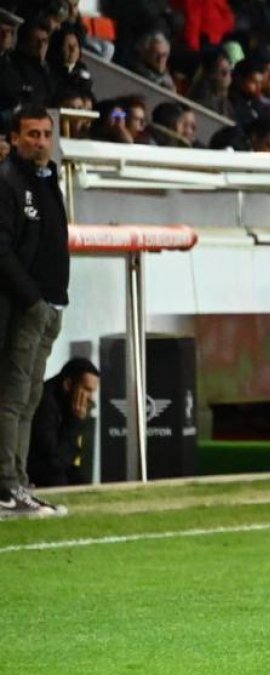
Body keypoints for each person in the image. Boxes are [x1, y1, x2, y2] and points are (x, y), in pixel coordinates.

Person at [0, 106, 69, 517]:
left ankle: (19, 482)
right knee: (12, 397)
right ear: (14, 138)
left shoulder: (48, 180)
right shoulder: (8, 181)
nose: (41, 142)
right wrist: (32, 300)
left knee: (29, 398)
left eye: (46, 134)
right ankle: (6, 486)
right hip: (27, 307)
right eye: (32, 134)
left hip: (49, 304)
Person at [27, 358, 99, 487]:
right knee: (57, 479)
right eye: (87, 390)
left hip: (53, 467)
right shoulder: (44, 404)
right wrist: (75, 421)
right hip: (34, 473)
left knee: (81, 480)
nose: (91, 398)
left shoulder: (66, 404)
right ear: (68, 385)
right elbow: (55, 460)